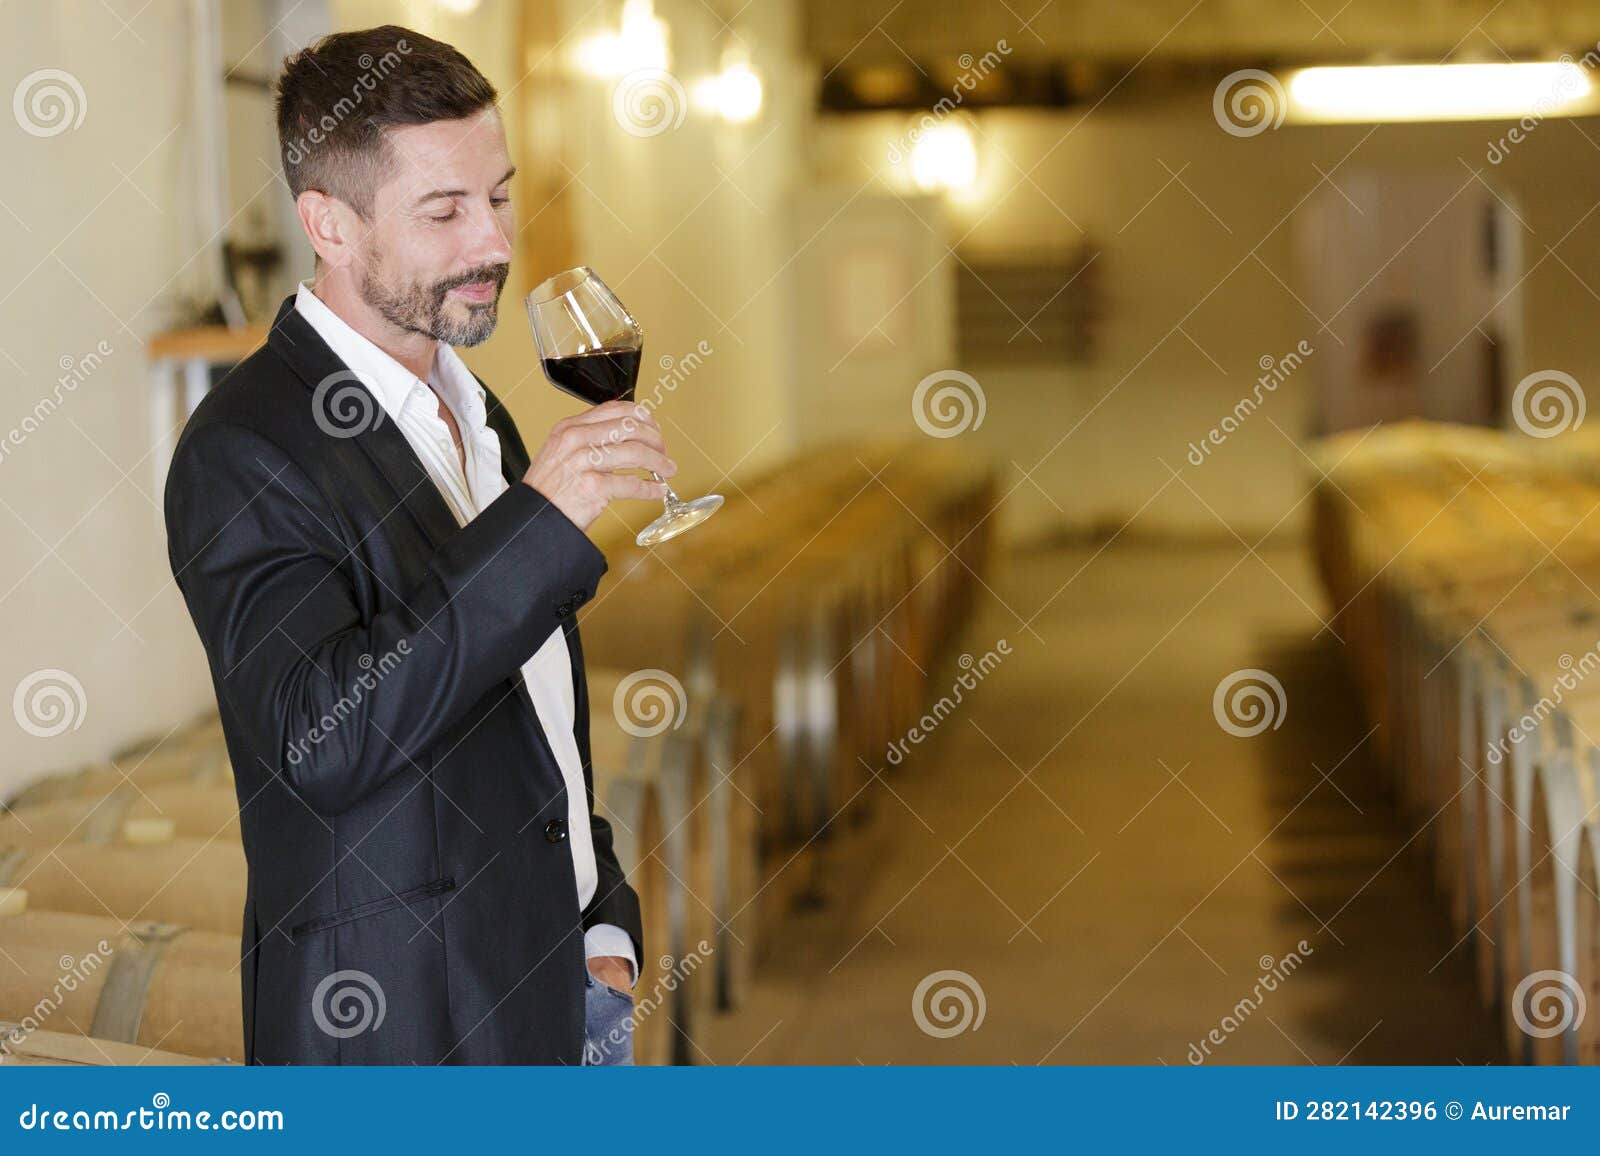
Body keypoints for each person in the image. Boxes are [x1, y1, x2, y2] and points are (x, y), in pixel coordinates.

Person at [163, 24, 674, 1064]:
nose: (492, 243)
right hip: (405, 1030)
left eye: (498, 196)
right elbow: (323, 739)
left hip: (567, 994)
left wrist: (602, 921)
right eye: (443, 211)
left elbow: (531, 707)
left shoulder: (478, 413)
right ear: (329, 225)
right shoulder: (245, 447)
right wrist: (538, 525)